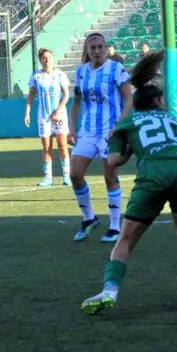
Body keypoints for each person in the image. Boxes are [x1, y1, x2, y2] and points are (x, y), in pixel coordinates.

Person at [80, 52, 177, 315]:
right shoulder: (171, 119)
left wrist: (124, 147)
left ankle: (109, 290)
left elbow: (113, 161)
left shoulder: (125, 123)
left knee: (125, 239)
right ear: (159, 101)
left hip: (152, 174)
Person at [69, 32, 133, 243]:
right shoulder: (81, 72)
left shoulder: (116, 69)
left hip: (110, 131)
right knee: (75, 174)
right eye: (93, 47)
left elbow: (128, 99)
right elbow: (77, 102)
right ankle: (89, 218)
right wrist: (72, 127)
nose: (97, 51)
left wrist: (119, 125)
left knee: (110, 177)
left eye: (100, 47)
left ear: (106, 49)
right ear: (87, 51)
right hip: (88, 130)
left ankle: (115, 226)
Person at [24, 48, 71, 187]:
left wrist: (58, 111)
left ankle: (67, 176)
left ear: (53, 58)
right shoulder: (36, 75)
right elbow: (31, 94)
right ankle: (48, 177)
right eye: (44, 58)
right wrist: (27, 112)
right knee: (46, 147)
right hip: (43, 116)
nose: (47, 60)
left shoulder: (60, 74)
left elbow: (66, 95)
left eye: (49, 57)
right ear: (40, 60)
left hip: (59, 115)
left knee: (62, 145)